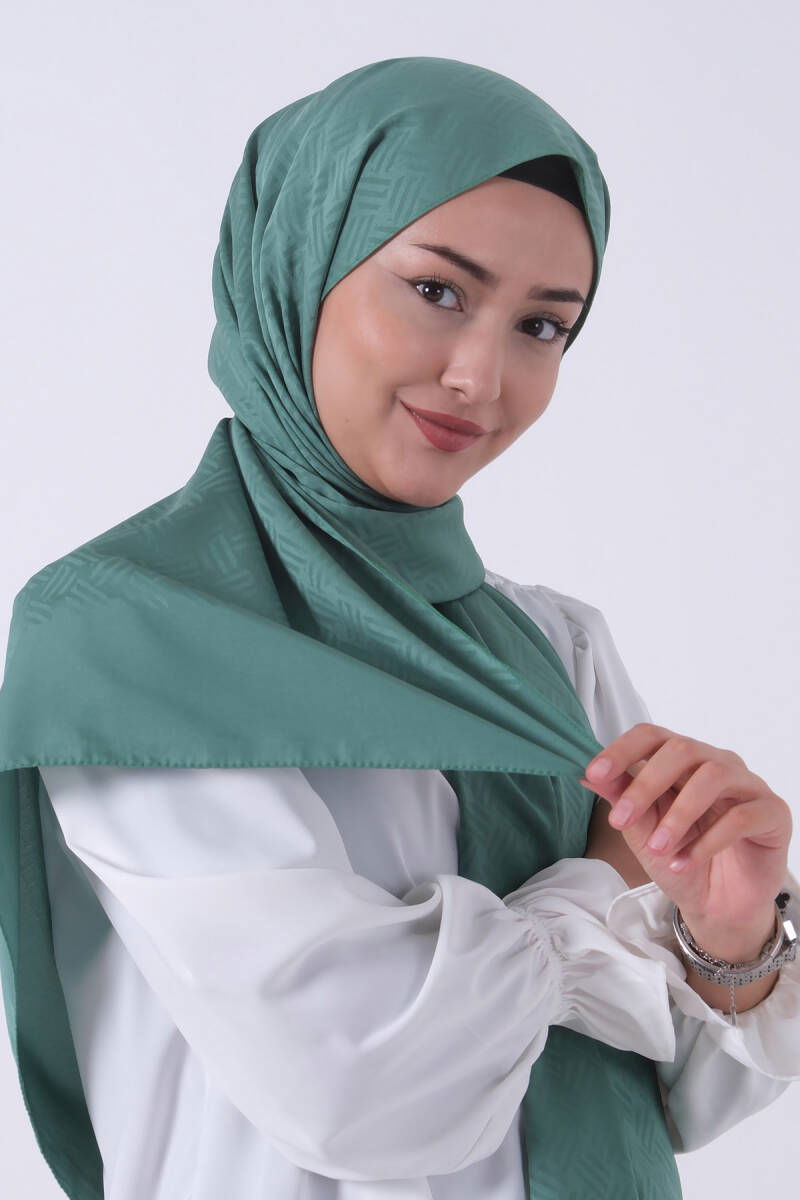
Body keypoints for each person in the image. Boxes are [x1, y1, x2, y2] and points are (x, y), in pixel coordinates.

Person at [0, 55, 797, 1200]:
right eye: (437, 291)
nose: (482, 376)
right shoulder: (134, 636)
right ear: (300, 260)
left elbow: (667, 1091)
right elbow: (359, 1092)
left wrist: (729, 939)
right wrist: (596, 892)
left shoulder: (551, 649)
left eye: (541, 325)